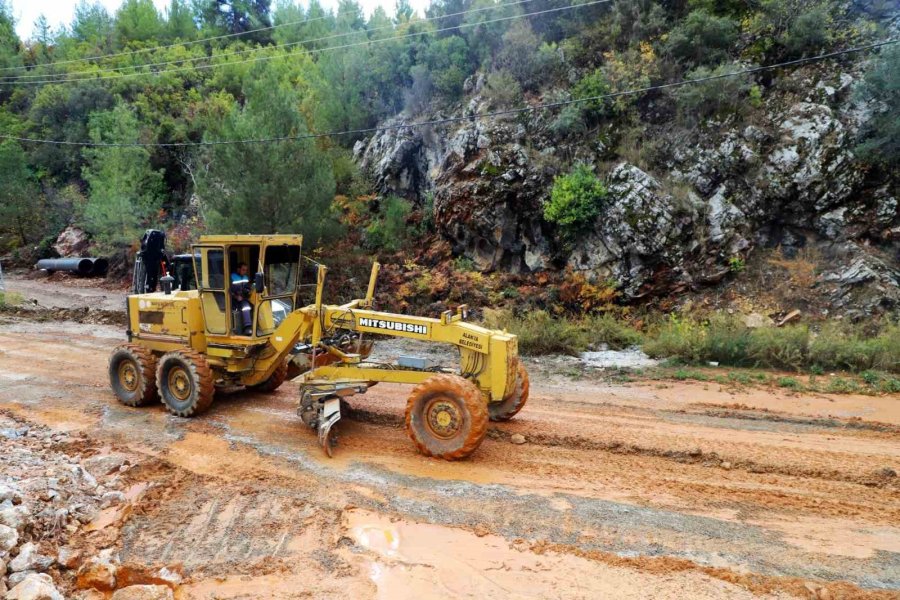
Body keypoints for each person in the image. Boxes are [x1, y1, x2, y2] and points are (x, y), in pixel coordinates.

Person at [230, 262, 253, 335]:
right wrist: (236, 296)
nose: (245, 272)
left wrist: (249, 291)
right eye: (243, 270)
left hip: (243, 298)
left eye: (246, 270)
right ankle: (247, 327)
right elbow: (228, 291)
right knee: (246, 306)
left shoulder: (246, 278)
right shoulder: (232, 277)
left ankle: (249, 327)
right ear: (238, 269)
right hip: (233, 299)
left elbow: (247, 287)